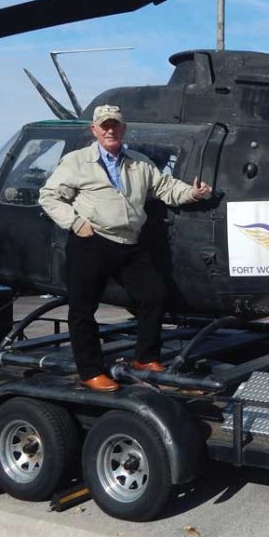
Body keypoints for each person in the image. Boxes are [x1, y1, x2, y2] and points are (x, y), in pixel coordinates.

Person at [39, 104, 213, 391]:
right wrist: (75, 223)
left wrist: (193, 193)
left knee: (153, 295)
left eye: (115, 125)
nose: (110, 130)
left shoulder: (139, 162)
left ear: (123, 129)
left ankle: (145, 359)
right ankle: (90, 371)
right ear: (94, 130)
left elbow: (166, 188)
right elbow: (49, 197)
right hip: (90, 241)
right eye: (104, 125)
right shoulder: (77, 161)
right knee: (82, 308)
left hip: (129, 242)